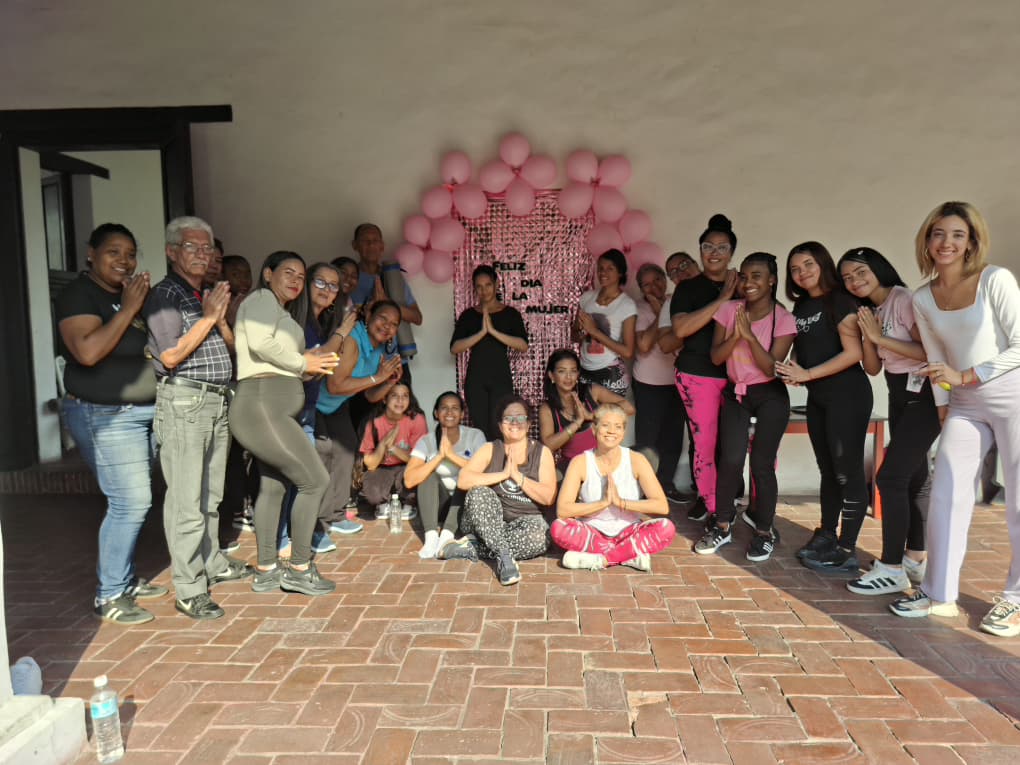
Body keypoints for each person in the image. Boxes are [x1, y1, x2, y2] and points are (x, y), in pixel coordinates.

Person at [889, 202, 1020, 639]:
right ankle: (938, 593)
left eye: (957, 234)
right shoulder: (923, 297)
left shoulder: (995, 280)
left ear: (972, 241)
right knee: (945, 491)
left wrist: (966, 375)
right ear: (927, 241)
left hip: (1012, 396)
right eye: (938, 234)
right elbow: (935, 358)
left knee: (1019, 502)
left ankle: (1016, 599)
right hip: (963, 402)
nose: (946, 242)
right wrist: (945, 404)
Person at [144, 216, 251, 620]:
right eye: (193, 247)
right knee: (187, 501)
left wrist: (218, 319)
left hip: (215, 401)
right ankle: (189, 588)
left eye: (208, 248)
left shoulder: (203, 293)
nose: (203, 255)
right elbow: (170, 355)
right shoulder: (165, 295)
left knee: (211, 496)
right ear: (172, 251)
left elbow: (231, 348)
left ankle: (212, 562)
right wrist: (208, 317)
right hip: (186, 403)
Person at [57, 223, 164, 624]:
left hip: (140, 413)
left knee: (131, 500)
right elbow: (87, 352)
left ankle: (124, 578)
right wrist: (131, 309)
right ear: (91, 253)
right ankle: (111, 593)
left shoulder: (127, 295)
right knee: (131, 501)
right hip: (104, 414)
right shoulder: (79, 294)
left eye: (131, 254)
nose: (124, 261)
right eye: (113, 252)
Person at [229, 251, 340, 597]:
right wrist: (302, 362)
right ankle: (299, 569)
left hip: (272, 407)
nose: (295, 280)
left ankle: (266, 570)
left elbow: (282, 360)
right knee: (315, 480)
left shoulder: (282, 311)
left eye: (300, 276)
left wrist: (310, 366)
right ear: (267, 274)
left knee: (275, 485)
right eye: (288, 272)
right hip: (262, 404)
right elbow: (261, 343)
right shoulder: (261, 299)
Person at [838, 247, 938, 595]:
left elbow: (931, 351)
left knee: (890, 478)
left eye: (860, 272)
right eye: (847, 277)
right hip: (899, 395)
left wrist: (880, 337)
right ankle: (915, 558)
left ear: (879, 268)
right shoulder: (874, 310)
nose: (854, 281)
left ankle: (892, 567)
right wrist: (870, 336)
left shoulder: (904, 299)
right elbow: (873, 367)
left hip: (925, 395)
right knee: (916, 478)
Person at [776, 242, 872, 574]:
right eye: (794, 269)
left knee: (847, 471)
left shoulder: (841, 300)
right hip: (818, 398)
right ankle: (827, 534)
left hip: (848, 395)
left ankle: (847, 549)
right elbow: (804, 347)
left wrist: (809, 374)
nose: (801, 273)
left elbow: (854, 353)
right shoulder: (801, 306)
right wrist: (794, 369)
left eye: (808, 265)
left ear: (822, 264)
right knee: (828, 470)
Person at [695, 253, 796, 561]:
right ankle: (722, 525)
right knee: (730, 460)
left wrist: (749, 337)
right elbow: (716, 357)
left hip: (769, 394)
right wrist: (735, 335)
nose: (748, 282)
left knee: (762, 464)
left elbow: (770, 369)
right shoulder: (729, 310)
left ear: (772, 280)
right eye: (744, 276)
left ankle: (764, 531)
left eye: (757, 276)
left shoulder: (783, 318)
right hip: (736, 393)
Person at [668, 215, 739, 522]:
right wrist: (722, 300)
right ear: (700, 251)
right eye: (708, 246)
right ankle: (712, 508)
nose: (714, 252)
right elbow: (682, 328)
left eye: (722, 247)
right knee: (704, 445)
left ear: (731, 252)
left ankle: (732, 500)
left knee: (735, 444)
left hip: (738, 376)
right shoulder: (688, 288)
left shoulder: (743, 282)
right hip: (698, 374)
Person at [446, 396, 557, 586]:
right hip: (486, 521)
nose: (514, 422)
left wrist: (517, 476)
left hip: (525, 521)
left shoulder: (541, 452)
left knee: (541, 537)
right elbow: (464, 480)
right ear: (500, 425)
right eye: (508, 418)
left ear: (528, 424)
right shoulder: (490, 449)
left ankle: (475, 547)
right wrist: (503, 474)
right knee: (478, 493)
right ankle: (504, 557)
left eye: (520, 418)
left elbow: (548, 497)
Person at [553, 404, 675, 571]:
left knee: (666, 528)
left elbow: (661, 506)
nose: (611, 431)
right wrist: (603, 503)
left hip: (629, 531)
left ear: (623, 432)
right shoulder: (580, 462)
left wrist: (621, 503)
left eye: (618, 427)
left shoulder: (636, 460)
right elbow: (563, 510)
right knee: (558, 527)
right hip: (592, 532)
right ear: (594, 430)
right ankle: (628, 556)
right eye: (605, 425)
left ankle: (602, 559)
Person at [315, 300, 404, 525]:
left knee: (346, 452)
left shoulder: (379, 350)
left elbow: (370, 395)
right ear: (369, 315)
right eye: (383, 318)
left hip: (336, 406)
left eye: (394, 324)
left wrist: (389, 381)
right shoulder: (353, 339)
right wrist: (377, 377)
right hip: (313, 403)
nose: (387, 326)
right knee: (322, 454)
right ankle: (318, 519)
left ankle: (336, 516)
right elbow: (334, 385)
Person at [450, 264, 529, 438]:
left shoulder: (510, 314)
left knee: (500, 426)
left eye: (487, 285)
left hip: (500, 377)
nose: (484, 290)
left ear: (496, 284)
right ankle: (483, 456)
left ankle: (500, 456)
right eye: (479, 286)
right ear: (474, 288)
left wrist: (493, 331)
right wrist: (481, 333)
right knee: (480, 430)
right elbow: (455, 348)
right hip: (476, 379)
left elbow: (523, 345)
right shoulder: (468, 315)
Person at [405, 392, 486, 558]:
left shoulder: (475, 436)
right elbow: (409, 480)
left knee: (466, 478)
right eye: (444, 408)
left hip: (465, 507)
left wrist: (451, 455)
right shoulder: (427, 441)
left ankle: (446, 537)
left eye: (455, 408)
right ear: (436, 413)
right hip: (437, 507)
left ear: (462, 414)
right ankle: (431, 538)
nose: (449, 412)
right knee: (427, 475)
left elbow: (482, 473)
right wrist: (439, 457)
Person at [632, 263, 686, 500]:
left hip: (677, 381)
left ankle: (666, 485)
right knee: (648, 440)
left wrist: (665, 308)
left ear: (665, 279)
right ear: (640, 289)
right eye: (646, 284)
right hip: (648, 382)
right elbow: (644, 345)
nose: (653, 287)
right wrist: (661, 314)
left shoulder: (678, 301)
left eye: (657, 280)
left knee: (673, 438)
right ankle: (645, 489)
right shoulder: (637, 308)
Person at [539, 349, 633, 473]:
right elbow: (549, 445)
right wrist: (577, 423)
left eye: (573, 371)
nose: (568, 377)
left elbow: (629, 408)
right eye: (562, 371)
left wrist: (592, 415)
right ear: (552, 375)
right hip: (572, 467)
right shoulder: (547, 408)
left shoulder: (592, 391)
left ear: (578, 374)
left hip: (603, 461)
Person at [657, 250, 702, 498]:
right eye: (673, 272)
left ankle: (732, 495)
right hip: (693, 379)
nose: (680, 273)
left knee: (730, 440)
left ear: (696, 263)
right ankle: (702, 493)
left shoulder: (721, 290)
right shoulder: (672, 302)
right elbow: (665, 344)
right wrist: (696, 325)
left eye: (683, 265)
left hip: (730, 378)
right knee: (699, 439)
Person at [358, 381, 428, 518]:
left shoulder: (416, 419)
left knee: (415, 480)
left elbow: (419, 459)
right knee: (373, 494)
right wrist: (383, 443)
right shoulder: (374, 422)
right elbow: (370, 464)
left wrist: (393, 448)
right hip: (382, 467)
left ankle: (408, 504)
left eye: (405, 396)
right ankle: (383, 503)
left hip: (407, 466)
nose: (400, 400)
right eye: (394, 395)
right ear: (384, 399)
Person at [575, 249, 637, 396]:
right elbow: (575, 336)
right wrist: (581, 331)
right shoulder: (586, 298)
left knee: (610, 412)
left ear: (620, 272)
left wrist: (594, 331)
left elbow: (628, 352)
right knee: (585, 411)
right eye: (601, 268)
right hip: (585, 370)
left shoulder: (627, 305)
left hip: (610, 372)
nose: (603, 272)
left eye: (610, 268)